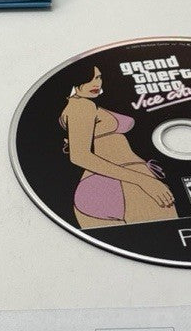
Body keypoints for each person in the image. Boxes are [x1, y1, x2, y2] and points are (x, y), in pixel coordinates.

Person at [59, 65, 176, 229]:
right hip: (125, 181)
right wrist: (144, 181)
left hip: (97, 187)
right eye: (89, 79)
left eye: (98, 77)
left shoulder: (79, 106)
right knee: (166, 237)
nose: (96, 83)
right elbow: (80, 156)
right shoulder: (82, 106)